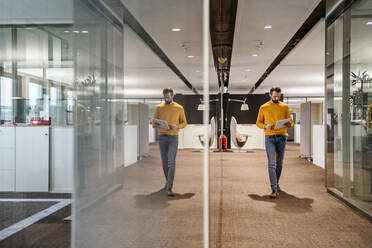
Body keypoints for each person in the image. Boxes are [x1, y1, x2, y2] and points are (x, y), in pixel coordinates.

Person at [256, 86, 293, 199]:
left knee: (279, 163)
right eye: (274, 96)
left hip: (282, 137)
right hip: (270, 138)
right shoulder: (264, 107)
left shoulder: (285, 106)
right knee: (271, 163)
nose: (276, 98)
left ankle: (276, 184)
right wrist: (265, 126)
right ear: (270, 95)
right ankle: (274, 189)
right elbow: (258, 122)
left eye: (278, 96)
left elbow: (290, 122)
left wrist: (288, 123)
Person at [152, 88, 187, 196]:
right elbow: (154, 123)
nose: (166, 99)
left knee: (171, 161)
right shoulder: (159, 108)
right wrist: (158, 123)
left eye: (168, 97)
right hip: (162, 137)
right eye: (165, 97)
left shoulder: (179, 108)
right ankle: (168, 183)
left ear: (173, 96)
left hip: (173, 137)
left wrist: (177, 126)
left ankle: (169, 187)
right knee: (164, 162)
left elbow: (184, 123)